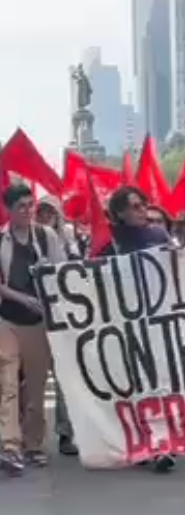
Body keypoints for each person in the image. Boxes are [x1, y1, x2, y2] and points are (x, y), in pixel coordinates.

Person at [102, 187, 174, 472]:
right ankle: (139, 443)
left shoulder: (159, 235)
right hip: (123, 323)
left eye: (143, 203)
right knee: (133, 386)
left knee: (160, 383)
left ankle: (161, 444)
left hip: (157, 320)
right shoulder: (109, 239)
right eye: (134, 206)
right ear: (119, 212)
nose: (142, 209)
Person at [0, 183, 66, 473]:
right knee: (8, 382)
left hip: (40, 322)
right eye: (21, 207)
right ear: (9, 210)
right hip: (7, 319)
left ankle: (34, 445)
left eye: (31, 205)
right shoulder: (1, 240)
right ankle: (9, 446)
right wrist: (20, 297)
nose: (28, 212)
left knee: (36, 387)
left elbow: (62, 271)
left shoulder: (46, 235)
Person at [35, 196, 80, 458]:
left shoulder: (67, 242)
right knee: (31, 379)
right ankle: (30, 437)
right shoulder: (29, 240)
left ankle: (66, 433)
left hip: (63, 319)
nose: (44, 216)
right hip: (33, 319)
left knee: (64, 378)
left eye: (49, 212)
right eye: (41, 211)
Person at [101, 187, 171, 256]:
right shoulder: (108, 239)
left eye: (144, 204)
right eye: (136, 206)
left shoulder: (159, 233)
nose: (143, 209)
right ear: (120, 213)